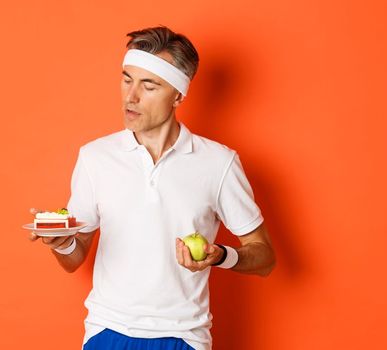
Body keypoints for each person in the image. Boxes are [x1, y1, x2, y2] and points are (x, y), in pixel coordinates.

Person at [28, 26, 276, 350]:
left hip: (184, 336)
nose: (130, 97)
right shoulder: (95, 157)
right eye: (127, 79)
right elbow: (75, 258)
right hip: (108, 331)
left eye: (149, 86)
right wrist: (60, 243)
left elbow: (265, 257)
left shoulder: (219, 163)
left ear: (178, 95)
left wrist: (221, 256)